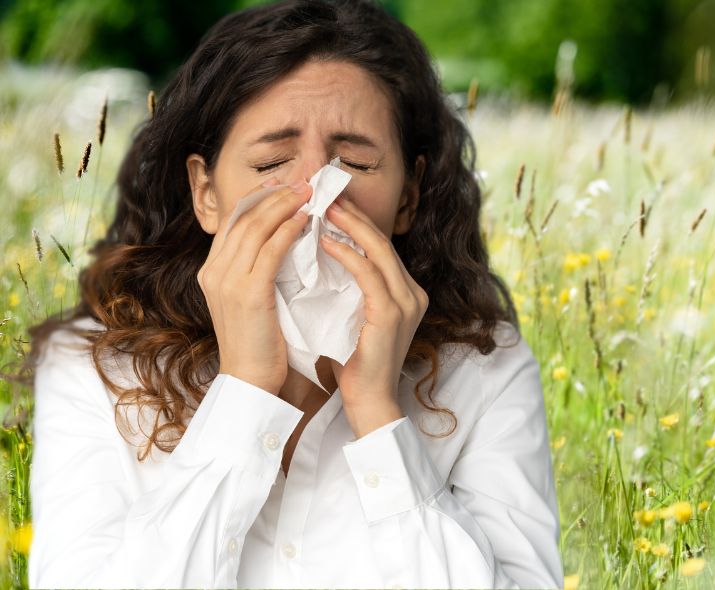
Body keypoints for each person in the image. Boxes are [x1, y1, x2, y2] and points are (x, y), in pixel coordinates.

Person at [22, 0, 562, 587]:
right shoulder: (91, 370)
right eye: (271, 163)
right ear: (206, 193)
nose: (317, 196)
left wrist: (379, 418)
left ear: (407, 198)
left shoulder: (486, 371)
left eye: (355, 163)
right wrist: (245, 390)